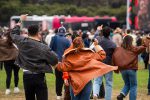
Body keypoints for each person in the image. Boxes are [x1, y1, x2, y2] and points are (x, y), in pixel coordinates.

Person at [10, 14, 58, 100]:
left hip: (27, 76)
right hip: (39, 76)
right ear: (38, 33)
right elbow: (54, 59)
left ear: (28, 32)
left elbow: (13, 33)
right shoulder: (43, 47)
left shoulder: (22, 42)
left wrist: (20, 20)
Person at [115, 35, 146, 100]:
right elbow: (141, 48)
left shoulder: (119, 49)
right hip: (131, 69)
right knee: (133, 86)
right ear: (131, 41)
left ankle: (121, 95)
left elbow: (115, 57)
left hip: (123, 70)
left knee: (127, 84)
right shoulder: (133, 48)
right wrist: (145, 44)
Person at [93, 26, 117, 100]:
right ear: (110, 33)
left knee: (97, 81)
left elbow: (94, 51)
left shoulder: (98, 42)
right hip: (108, 65)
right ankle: (108, 98)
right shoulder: (113, 44)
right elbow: (115, 56)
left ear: (102, 33)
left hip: (99, 64)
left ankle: (95, 94)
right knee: (108, 83)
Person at [50, 26, 71, 100]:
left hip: (56, 62)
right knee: (66, 78)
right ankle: (66, 94)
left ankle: (58, 95)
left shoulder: (54, 38)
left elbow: (50, 49)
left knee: (58, 78)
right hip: (65, 62)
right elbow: (69, 52)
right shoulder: (67, 40)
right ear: (64, 32)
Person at [0, 30, 20, 95]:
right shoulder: (17, 41)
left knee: (8, 75)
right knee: (16, 74)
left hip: (7, 60)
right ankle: (16, 88)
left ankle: (7, 89)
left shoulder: (3, 42)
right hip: (16, 60)